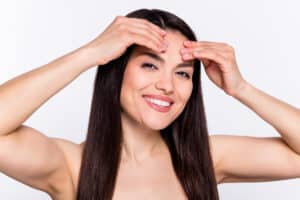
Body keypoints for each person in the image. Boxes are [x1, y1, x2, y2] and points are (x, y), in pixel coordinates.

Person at [0, 8, 299, 200]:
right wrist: (89, 53)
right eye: (150, 66)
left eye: (182, 73)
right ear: (115, 70)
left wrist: (241, 88)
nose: (167, 85)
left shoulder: (204, 159)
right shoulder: (71, 166)